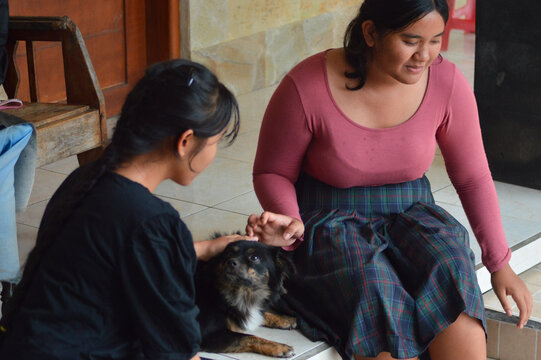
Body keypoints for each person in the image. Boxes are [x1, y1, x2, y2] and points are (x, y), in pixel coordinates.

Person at [247, 1, 533, 359]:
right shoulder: (306, 85)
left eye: (435, 40)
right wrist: (290, 221)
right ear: (370, 33)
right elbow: (272, 171)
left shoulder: (446, 81)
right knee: (374, 285)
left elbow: (473, 176)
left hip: (412, 212)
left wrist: (499, 263)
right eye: (411, 40)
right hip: (329, 219)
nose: (424, 55)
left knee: (449, 269)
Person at [0, 59, 256, 359]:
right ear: (185, 141)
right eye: (215, 142)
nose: (213, 153)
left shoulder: (86, 178)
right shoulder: (154, 222)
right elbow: (177, 353)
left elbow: (118, 250)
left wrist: (203, 248)